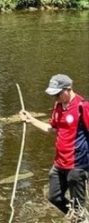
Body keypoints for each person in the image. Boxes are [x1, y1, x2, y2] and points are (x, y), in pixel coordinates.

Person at [19, 74, 89, 215]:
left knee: (78, 204)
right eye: (53, 94)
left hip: (77, 165)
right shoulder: (58, 106)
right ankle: (77, 221)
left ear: (68, 89)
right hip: (59, 163)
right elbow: (52, 129)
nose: (55, 97)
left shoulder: (83, 107)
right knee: (54, 197)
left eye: (57, 94)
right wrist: (31, 120)